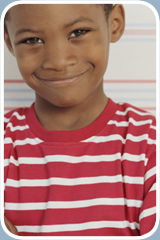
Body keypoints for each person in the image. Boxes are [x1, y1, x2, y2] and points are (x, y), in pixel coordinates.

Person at [4, 3, 156, 236]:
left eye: (78, 32)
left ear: (114, 23)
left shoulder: (149, 142)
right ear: (8, 41)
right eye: (32, 40)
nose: (58, 61)